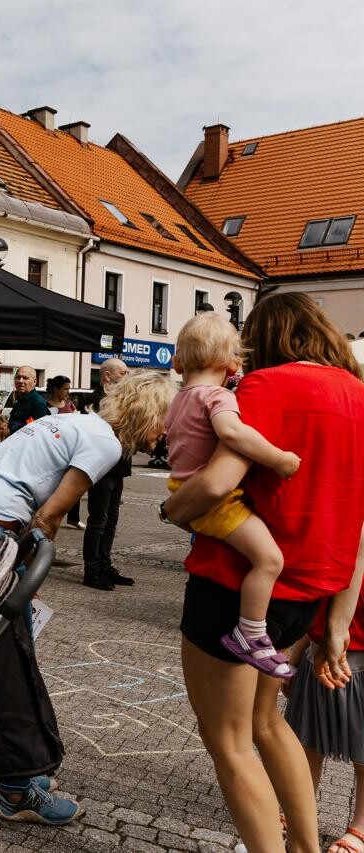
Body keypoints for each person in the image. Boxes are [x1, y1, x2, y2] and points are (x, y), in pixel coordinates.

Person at [161, 293, 364, 853]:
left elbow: (216, 482)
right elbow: (359, 522)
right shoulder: (358, 394)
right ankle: (304, 846)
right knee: (267, 721)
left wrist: (171, 509)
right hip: (308, 594)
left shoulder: (264, 387)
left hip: (233, 585)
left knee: (228, 741)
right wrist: (338, 624)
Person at [0, 370, 175, 825]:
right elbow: (48, 517)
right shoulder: (105, 444)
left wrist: (28, 571)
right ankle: (16, 789)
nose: (167, 432)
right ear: (148, 413)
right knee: (10, 664)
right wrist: (29, 573)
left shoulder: (76, 422)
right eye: (166, 419)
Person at [165, 312, 302, 677]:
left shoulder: (180, 398)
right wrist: (280, 459)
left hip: (184, 491)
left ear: (177, 363)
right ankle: (251, 634)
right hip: (218, 502)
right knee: (269, 560)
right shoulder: (218, 396)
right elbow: (233, 434)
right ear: (233, 364)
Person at [283, 587, 364, 853]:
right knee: (306, 746)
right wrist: (294, 660)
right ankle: (298, 815)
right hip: (317, 656)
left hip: (359, 664)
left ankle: (360, 829)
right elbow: (317, 610)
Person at [82, 358, 132, 590]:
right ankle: (91, 570)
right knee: (98, 520)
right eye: (123, 372)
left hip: (119, 466)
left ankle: (104, 564)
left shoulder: (122, 399)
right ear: (107, 376)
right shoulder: (94, 401)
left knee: (111, 520)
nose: (127, 376)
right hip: (102, 466)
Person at [45, 375, 84, 530]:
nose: (68, 392)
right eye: (65, 389)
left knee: (74, 482)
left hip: (70, 448)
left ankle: (74, 518)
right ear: (56, 389)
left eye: (69, 389)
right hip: (54, 449)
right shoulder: (46, 406)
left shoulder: (70, 405)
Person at [7, 365, 48, 433]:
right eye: (18, 377)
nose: (20, 381)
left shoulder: (37, 403)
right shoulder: (20, 399)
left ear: (35, 381)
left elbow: (40, 432)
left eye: (25, 378)